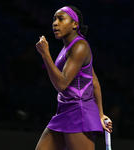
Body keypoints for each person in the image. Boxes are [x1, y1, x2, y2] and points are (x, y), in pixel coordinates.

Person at [35, 5, 112, 150]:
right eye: (54, 19)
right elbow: (93, 81)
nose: (55, 23)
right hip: (64, 110)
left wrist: (45, 54)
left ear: (75, 24)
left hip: (78, 112)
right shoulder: (67, 48)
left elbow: (62, 84)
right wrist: (100, 114)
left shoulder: (80, 46)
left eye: (61, 19)